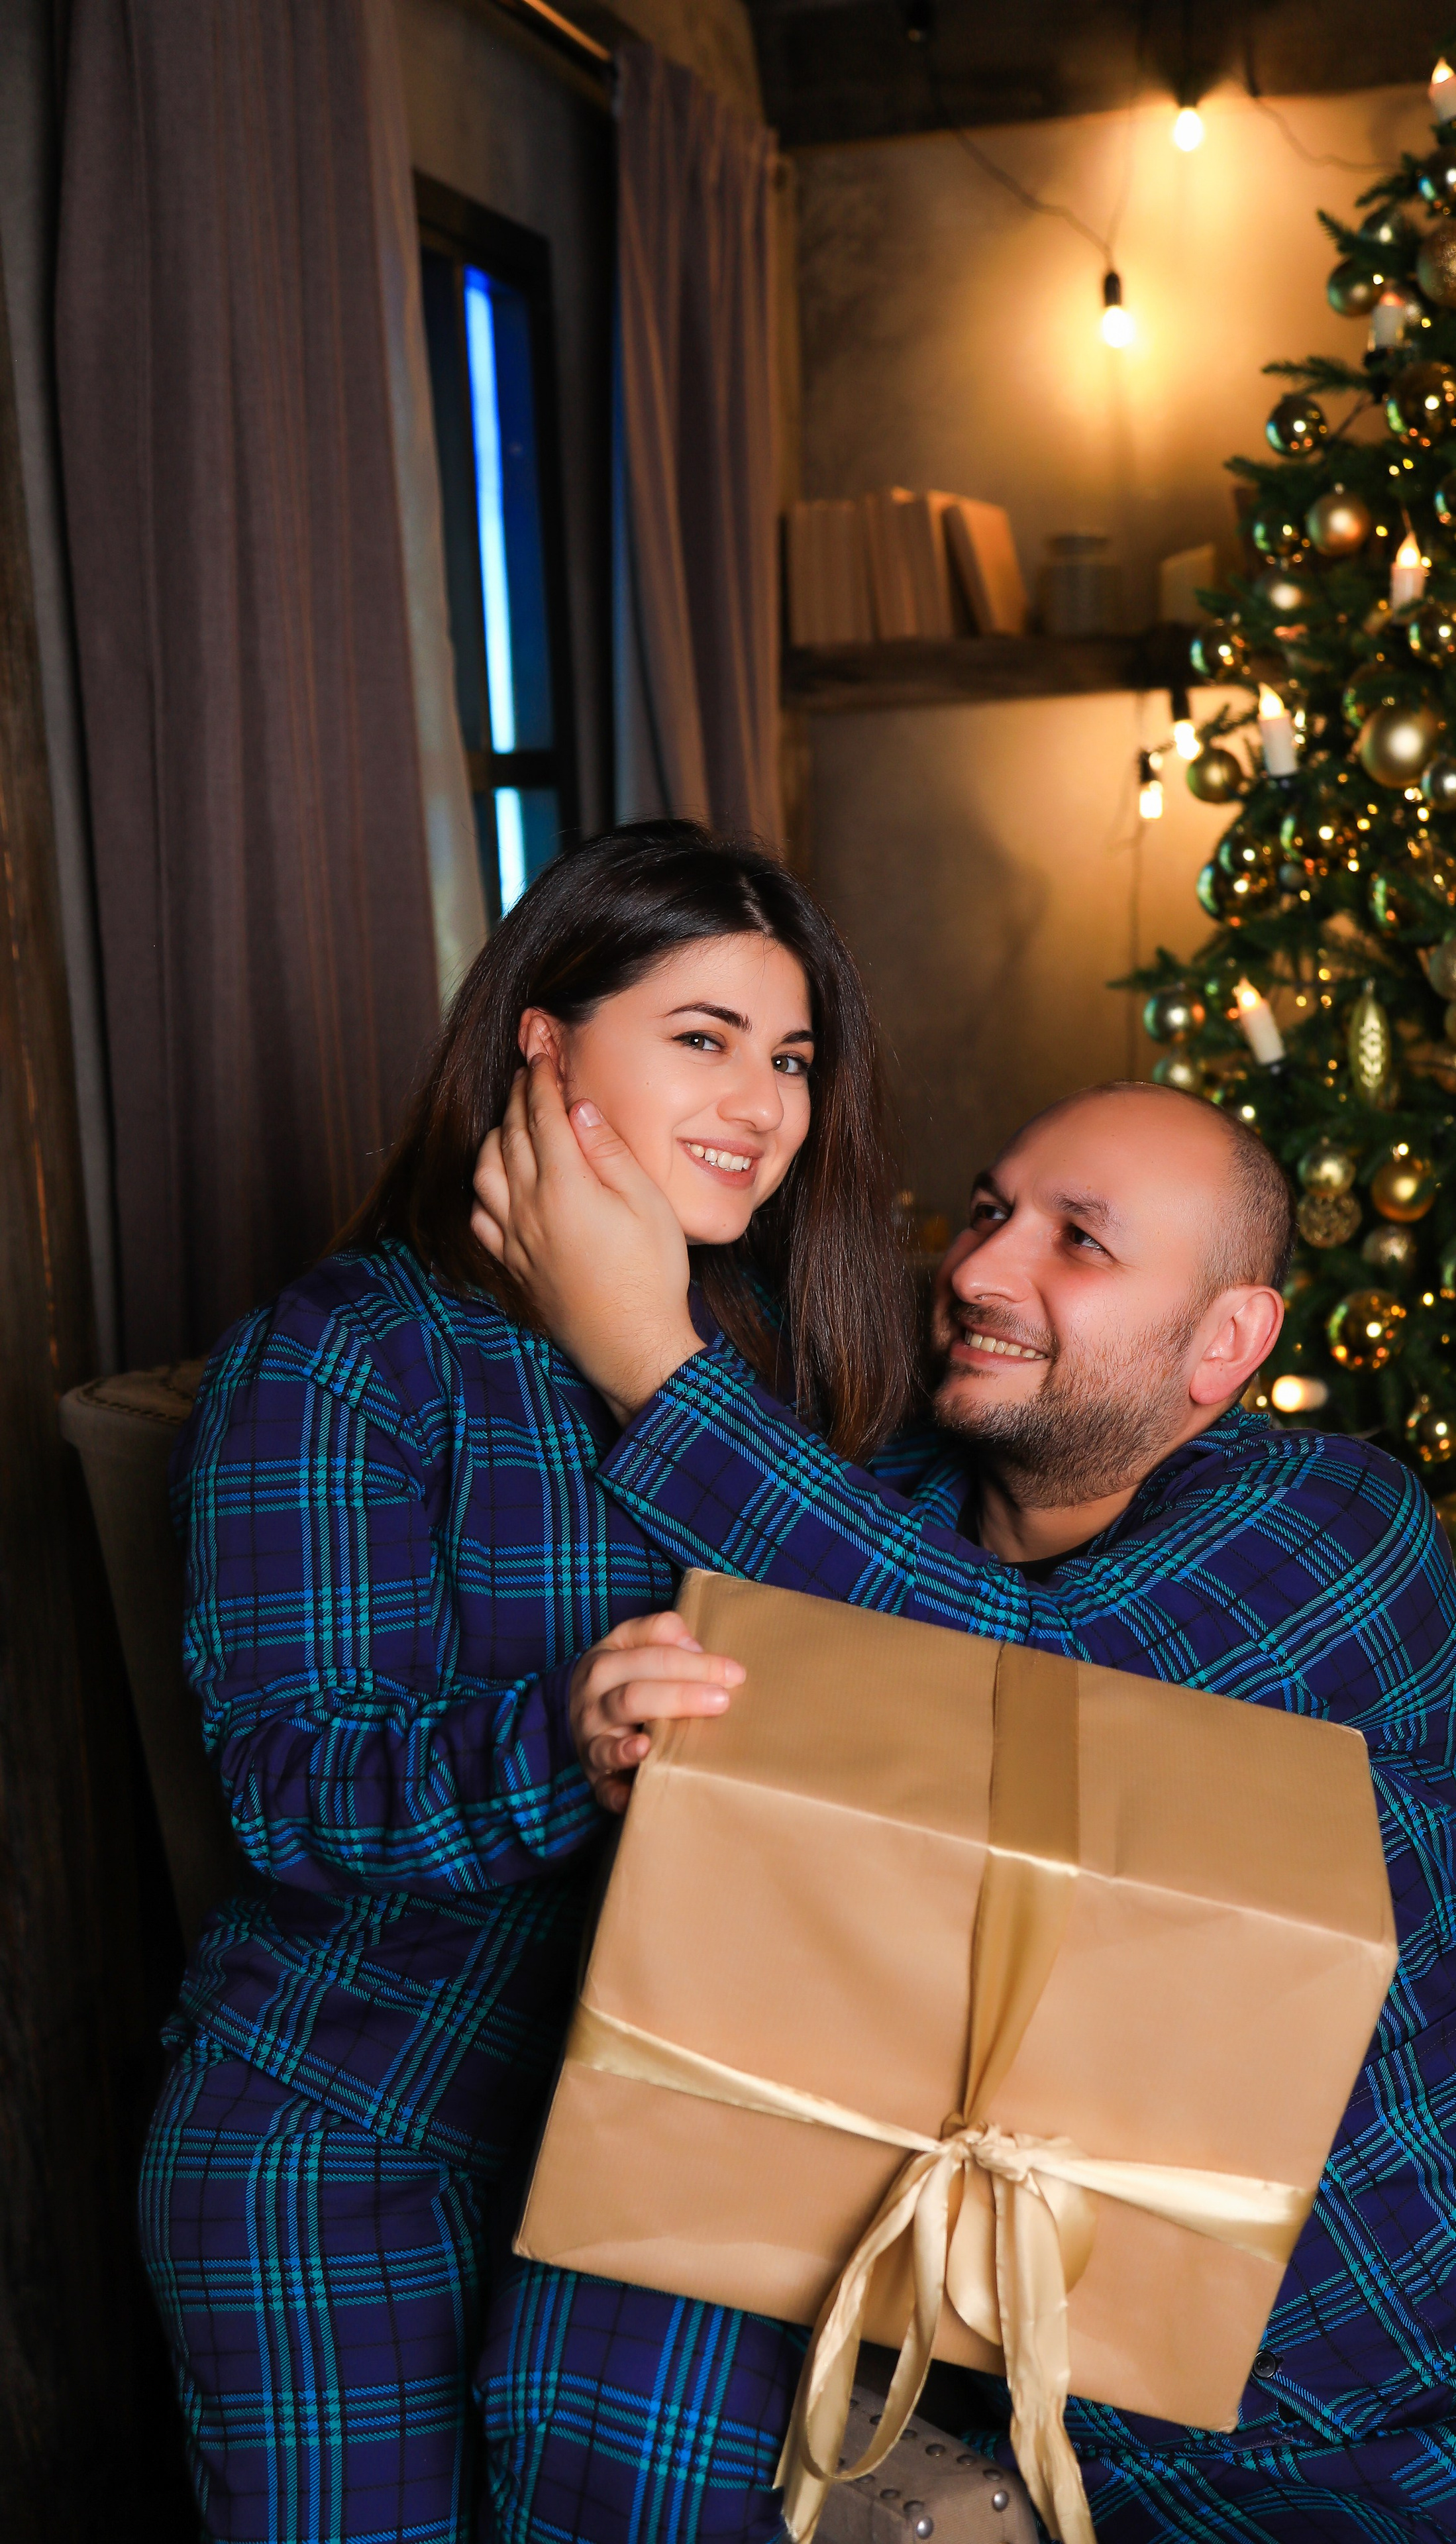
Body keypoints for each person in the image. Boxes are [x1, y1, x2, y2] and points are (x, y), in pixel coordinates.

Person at [470, 1075, 1456, 2544]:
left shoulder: (1330, 1524)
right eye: (988, 1213)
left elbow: (1049, 1692)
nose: (980, 1269)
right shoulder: (868, 1522)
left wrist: (647, 1359)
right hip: (1122, 2415)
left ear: (1224, 1343)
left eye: (1079, 1241)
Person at [142, 822, 915, 2544]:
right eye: (702, 1038)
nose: (765, 1104)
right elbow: (289, 1784)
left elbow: (924, 1677)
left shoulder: (776, 1359)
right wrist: (561, 1738)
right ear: (543, 1040)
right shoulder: (350, 1353)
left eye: (790, 1057)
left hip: (678, 2151)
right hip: (356, 2137)